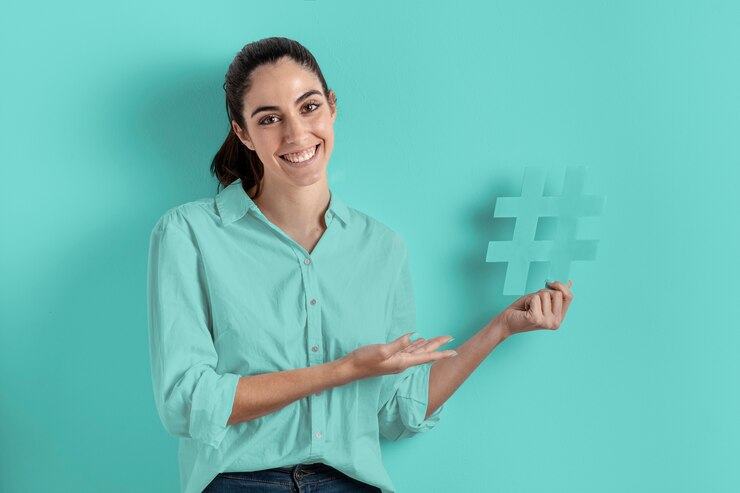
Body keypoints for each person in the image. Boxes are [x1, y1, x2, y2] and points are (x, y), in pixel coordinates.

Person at [146, 37, 574, 493]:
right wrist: (342, 371)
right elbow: (187, 403)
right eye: (269, 119)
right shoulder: (188, 234)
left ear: (331, 108)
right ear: (243, 133)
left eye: (308, 107)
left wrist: (502, 327)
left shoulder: (383, 249)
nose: (295, 134)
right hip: (239, 482)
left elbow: (398, 412)